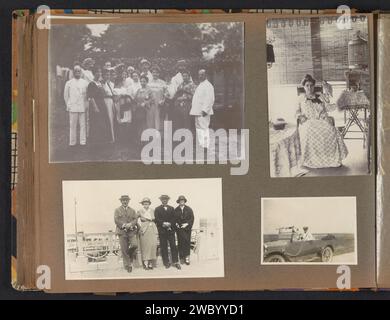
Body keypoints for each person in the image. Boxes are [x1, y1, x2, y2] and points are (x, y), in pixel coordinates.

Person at [297, 74, 348, 168]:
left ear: (314, 86)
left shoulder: (321, 97)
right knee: (309, 131)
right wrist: (300, 116)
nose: (309, 87)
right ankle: (313, 160)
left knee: (331, 130)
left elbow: (329, 108)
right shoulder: (300, 98)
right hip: (308, 121)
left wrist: (338, 103)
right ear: (303, 87)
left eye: (311, 85)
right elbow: (296, 112)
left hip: (322, 120)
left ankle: (331, 159)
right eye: (307, 85)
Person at [63, 64, 89, 146]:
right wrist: (69, 104)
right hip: (73, 107)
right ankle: (72, 142)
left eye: (79, 71)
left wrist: (86, 105)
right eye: (76, 71)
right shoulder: (69, 83)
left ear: (81, 72)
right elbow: (66, 96)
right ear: (73, 72)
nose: (77, 72)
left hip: (82, 106)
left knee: (83, 125)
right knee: (72, 125)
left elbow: (87, 95)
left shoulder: (85, 83)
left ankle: (82, 142)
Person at [86, 66, 112, 145]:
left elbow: (103, 93)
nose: (99, 74)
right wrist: (95, 107)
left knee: (104, 122)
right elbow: (91, 97)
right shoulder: (91, 84)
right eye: (97, 72)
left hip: (102, 104)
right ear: (94, 73)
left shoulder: (100, 83)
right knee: (97, 123)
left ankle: (103, 141)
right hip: (96, 105)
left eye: (100, 72)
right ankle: (96, 142)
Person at [154, 195, 181, 270]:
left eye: (166, 199)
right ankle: (166, 262)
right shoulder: (157, 209)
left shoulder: (171, 208)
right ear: (161, 200)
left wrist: (170, 224)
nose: (164, 200)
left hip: (170, 230)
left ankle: (175, 262)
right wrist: (163, 223)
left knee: (173, 246)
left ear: (168, 200)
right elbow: (157, 219)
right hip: (162, 231)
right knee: (163, 247)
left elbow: (174, 218)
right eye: (163, 199)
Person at [114, 195, 140, 273]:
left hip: (131, 231)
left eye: (126, 200)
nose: (125, 202)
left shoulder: (132, 210)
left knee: (135, 245)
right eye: (123, 200)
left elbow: (135, 220)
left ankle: (129, 254)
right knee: (124, 249)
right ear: (121, 201)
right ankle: (128, 265)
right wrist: (125, 225)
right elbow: (116, 220)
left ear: (128, 201)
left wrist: (131, 224)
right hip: (122, 232)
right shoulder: (117, 210)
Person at [190, 69, 215, 148]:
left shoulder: (208, 85)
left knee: (204, 128)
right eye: (199, 74)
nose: (200, 76)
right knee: (198, 128)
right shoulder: (201, 84)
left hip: (203, 111)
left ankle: (205, 146)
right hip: (197, 111)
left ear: (206, 75)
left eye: (202, 75)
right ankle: (201, 144)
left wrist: (205, 110)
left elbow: (210, 99)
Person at [137, 197, 158, 270]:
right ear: (142, 204)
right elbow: (135, 220)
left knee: (152, 245)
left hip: (152, 229)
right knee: (145, 246)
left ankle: (150, 263)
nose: (146, 205)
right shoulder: (140, 211)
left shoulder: (153, 210)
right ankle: (145, 263)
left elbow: (156, 219)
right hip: (144, 230)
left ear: (149, 204)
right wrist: (139, 228)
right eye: (144, 204)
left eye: (147, 203)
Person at [174, 195, 194, 265]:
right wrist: (176, 224)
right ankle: (181, 258)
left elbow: (192, 218)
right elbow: (174, 219)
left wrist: (187, 224)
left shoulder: (189, 209)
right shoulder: (176, 210)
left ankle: (187, 258)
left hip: (187, 230)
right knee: (180, 243)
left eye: (182, 200)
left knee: (187, 243)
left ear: (184, 201)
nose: (181, 202)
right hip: (179, 229)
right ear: (178, 202)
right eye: (180, 201)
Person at [134, 74, 153, 143]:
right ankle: (140, 138)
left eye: (144, 81)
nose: (142, 83)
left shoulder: (149, 90)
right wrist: (138, 104)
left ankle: (146, 139)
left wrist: (145, 103)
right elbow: (135, 99)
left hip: (146, 109)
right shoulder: (138, 90)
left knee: (145, 124)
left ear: (146, 82)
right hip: (139, 109)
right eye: (141, 81)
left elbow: (152, 99)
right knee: (139, 123)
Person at [148, 66, 167, 130]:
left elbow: (166, 94)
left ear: (159, 74)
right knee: (151, 119)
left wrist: (163, 101)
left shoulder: (163, 82)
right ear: (151, 73)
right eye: (153, 72)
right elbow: (146, 94)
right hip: (151, 105)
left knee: (159, 119)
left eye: (157, 72)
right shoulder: (149, 83)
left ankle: (159, 136)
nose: (155, 74)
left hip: (159, 104)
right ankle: (151, 135)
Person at [102, 67, 116, 142]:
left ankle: (112, 137)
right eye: (106, 75)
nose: (107, 76)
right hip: (105, 102)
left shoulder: (109, 84)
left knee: (111, 118)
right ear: (103, 75)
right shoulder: (101, 84)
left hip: (111, 102)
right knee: (107, 119)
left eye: (108, 75)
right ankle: (107, 138)